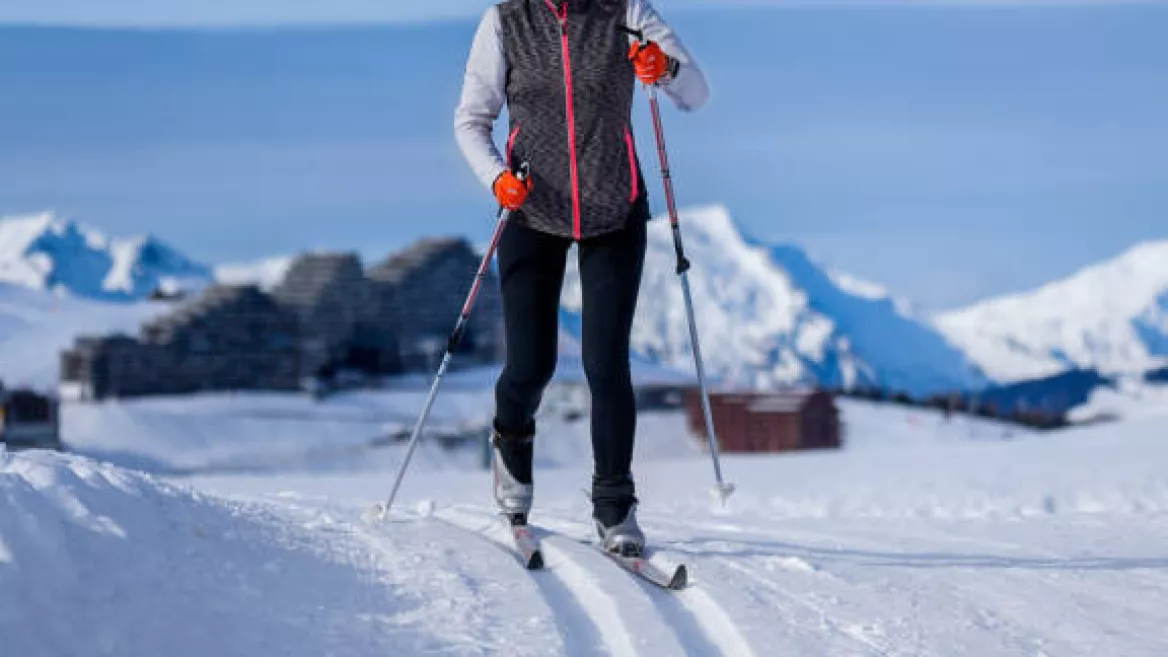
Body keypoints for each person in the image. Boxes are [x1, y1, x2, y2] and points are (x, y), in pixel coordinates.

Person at [454, 0, 709, 556]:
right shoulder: (506, 20)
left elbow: (695, 92)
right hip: (531, 211)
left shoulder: (628, 11)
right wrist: (498, 179)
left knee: (606, 363)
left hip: (614, 209)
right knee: (530, 365)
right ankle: (512, 457)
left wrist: (662, 69)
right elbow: (471, 120)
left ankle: (615, 508)